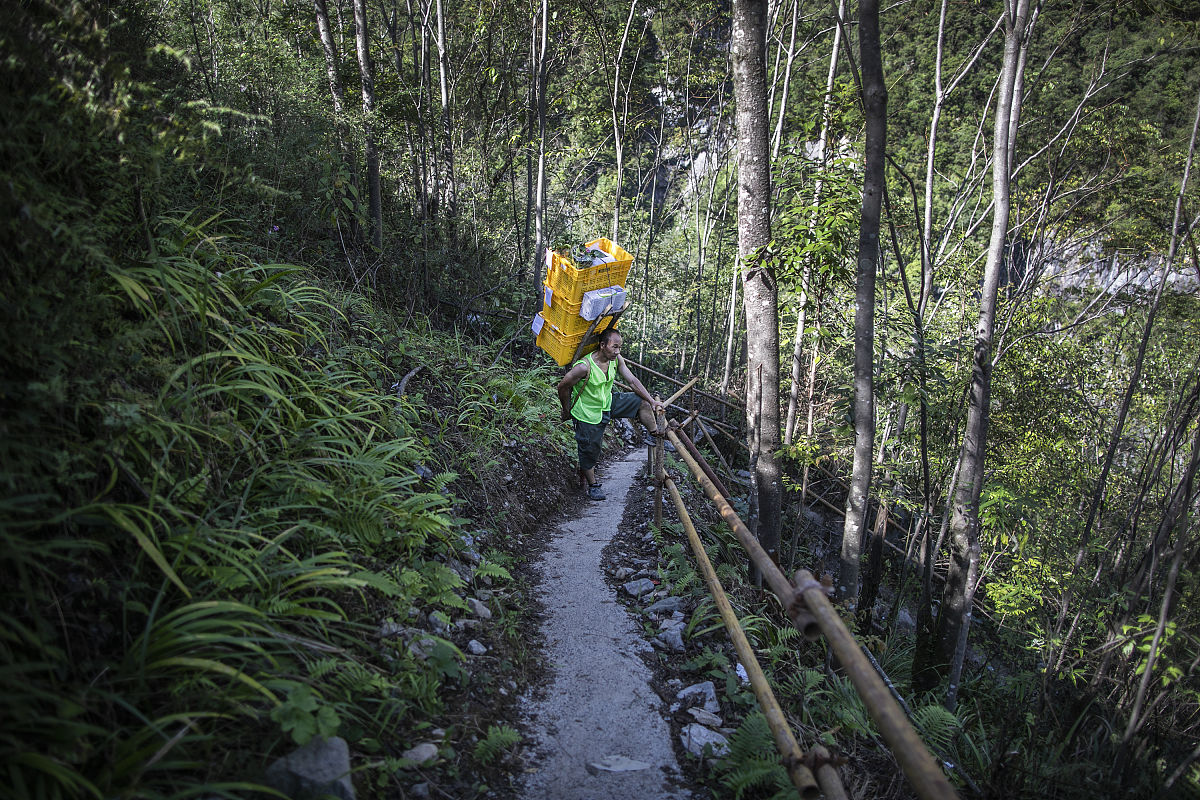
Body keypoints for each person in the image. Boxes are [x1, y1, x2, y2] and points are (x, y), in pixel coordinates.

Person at [557, 328, 665, 500]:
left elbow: (632, 381)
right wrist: (566, 410)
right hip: (588, 413)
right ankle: (593, 485)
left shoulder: (615, 359)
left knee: (641, 402)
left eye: (619, 347)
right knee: (590, 450)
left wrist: (652, 401)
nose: (617, 351)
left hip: (607, 403)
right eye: (614, 347)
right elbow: (563, 386)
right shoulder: (584, 367)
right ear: (602, 345)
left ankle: (655, 434)